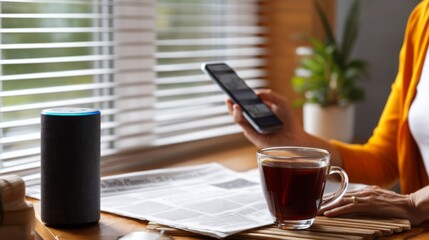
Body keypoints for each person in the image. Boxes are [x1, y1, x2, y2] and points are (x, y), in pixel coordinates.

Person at [226, 0, 429, 226]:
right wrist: (294, 139)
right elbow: (385, 160)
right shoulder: (423, 19)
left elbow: (411, 199)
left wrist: (414, 203)